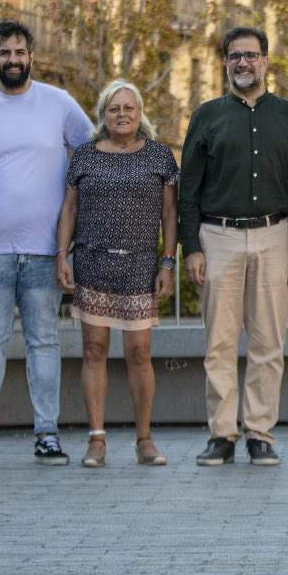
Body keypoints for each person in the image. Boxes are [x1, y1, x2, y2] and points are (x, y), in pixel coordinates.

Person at [0, 21, 91, 469]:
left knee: (44, 341)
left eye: (20, 52)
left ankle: (47, 435)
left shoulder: (60, 103)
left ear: (32, 56)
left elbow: (91, 156)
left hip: (46, 249)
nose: (13, 60)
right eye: (4, 53)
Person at [179, 27, 288, 466]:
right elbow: (189, 189)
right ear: (225, 62)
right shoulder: (207, 115)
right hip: (217, 237)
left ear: (266, 61)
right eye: (235, 56)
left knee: (268, 340)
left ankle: (260, 433)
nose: (243, 63)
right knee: (218, 341)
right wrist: (190, 247)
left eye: (251, 56)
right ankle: (222, 434)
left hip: (275, 235)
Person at [57, 80, 178, 468]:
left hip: (141, 266)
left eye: (128, 108)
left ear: (140, 113)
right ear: (102, 116)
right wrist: (63, 256)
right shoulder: (85, 156)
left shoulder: (160, 156)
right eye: (114, 109)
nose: (122, 114)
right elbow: (70, 210)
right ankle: (96, 440)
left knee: (139, 353)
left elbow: (170, 214)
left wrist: (168, 263)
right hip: (93, 263)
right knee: (93, 350)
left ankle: (144, 438)